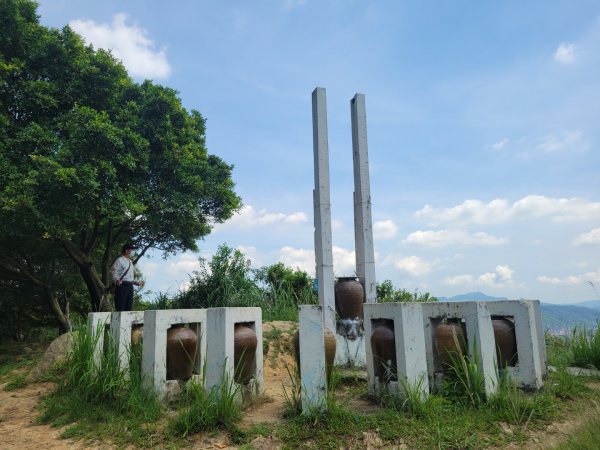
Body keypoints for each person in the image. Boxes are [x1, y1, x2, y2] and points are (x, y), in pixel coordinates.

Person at [111, 243, 143, 312]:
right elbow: (114, 271)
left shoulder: (130, 262)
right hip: (122, 286)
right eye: (131, 250)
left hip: (130, 286)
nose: (133, 252)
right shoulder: (120, 260)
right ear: (126, 251)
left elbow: (128, 276)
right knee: (120, 306)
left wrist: (135, 282)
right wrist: (116, 280)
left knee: (129, 306)